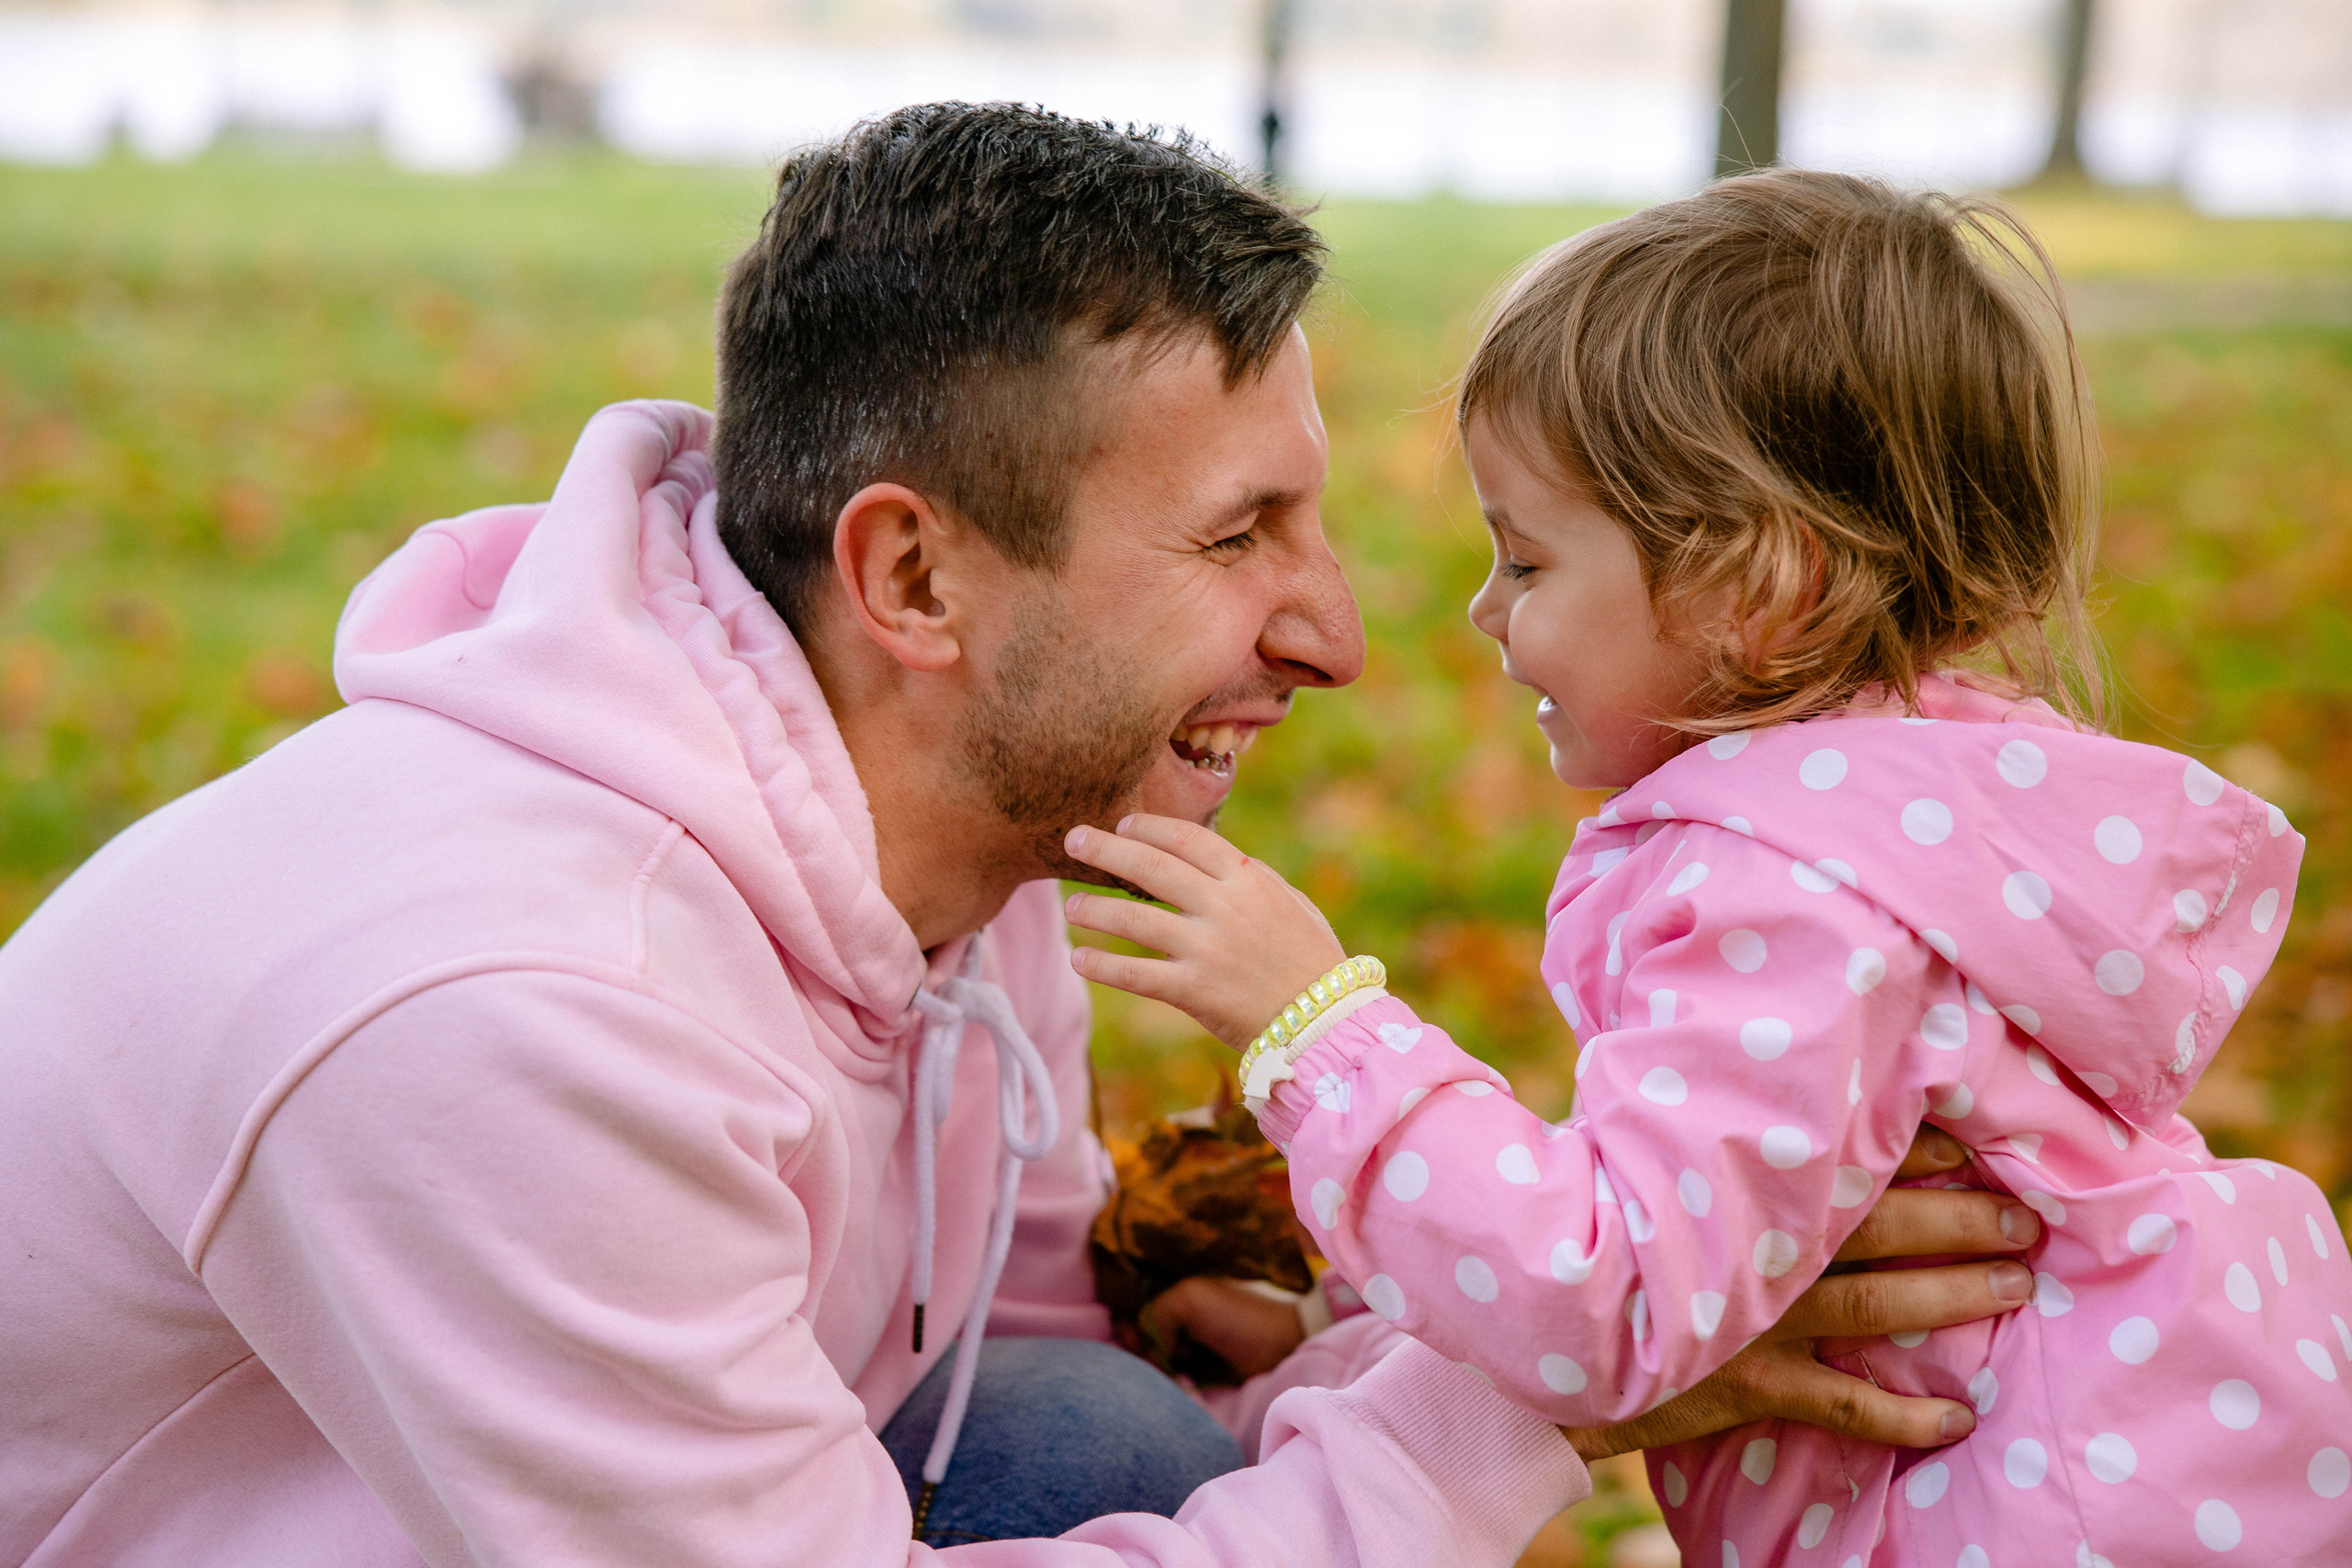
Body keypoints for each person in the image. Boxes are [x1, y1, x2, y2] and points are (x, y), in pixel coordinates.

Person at [1, 112, 2036, 1568]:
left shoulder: (966, 823)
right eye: (1238, 538)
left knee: (1087, 1424)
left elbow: (1028, 1376)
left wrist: (1515, 1304)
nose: (1337, 634)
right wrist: (1537, 1396)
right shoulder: (522, 1009)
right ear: (914, 578)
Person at [1062, 170, 2351, 1566]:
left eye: (1527, 561)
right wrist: (1338, 1322)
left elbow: (1610, 1299)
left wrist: (1318, 1032)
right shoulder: (1903, 821)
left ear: (1763, 590)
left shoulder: (1789, 891)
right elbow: (1712, 1225)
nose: (1484, 611)